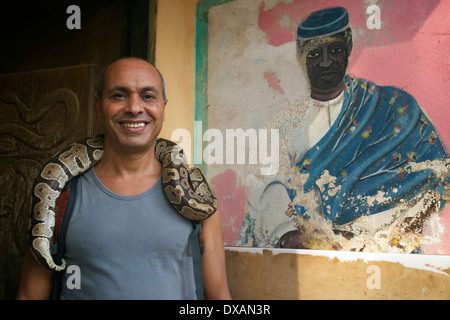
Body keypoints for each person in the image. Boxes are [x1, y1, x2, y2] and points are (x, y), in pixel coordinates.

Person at [17, 57, 231, 299]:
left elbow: (219, 297)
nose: (134, 107)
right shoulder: (59, 195)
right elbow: (28, 295)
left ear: (163, 106)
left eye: (148, 96)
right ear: (98, 106)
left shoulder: (199, 201)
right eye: (119, 95)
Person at [240, 7, 449, 251]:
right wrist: (293, 238)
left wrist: (381, 238)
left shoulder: (393, 107)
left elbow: (438, 176)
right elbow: (268, 190)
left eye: (335, 50)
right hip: (308, 258)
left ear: (348, 46)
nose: (326, 61)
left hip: (387, 258)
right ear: (301, 55)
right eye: (315, 53)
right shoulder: (283, 126)